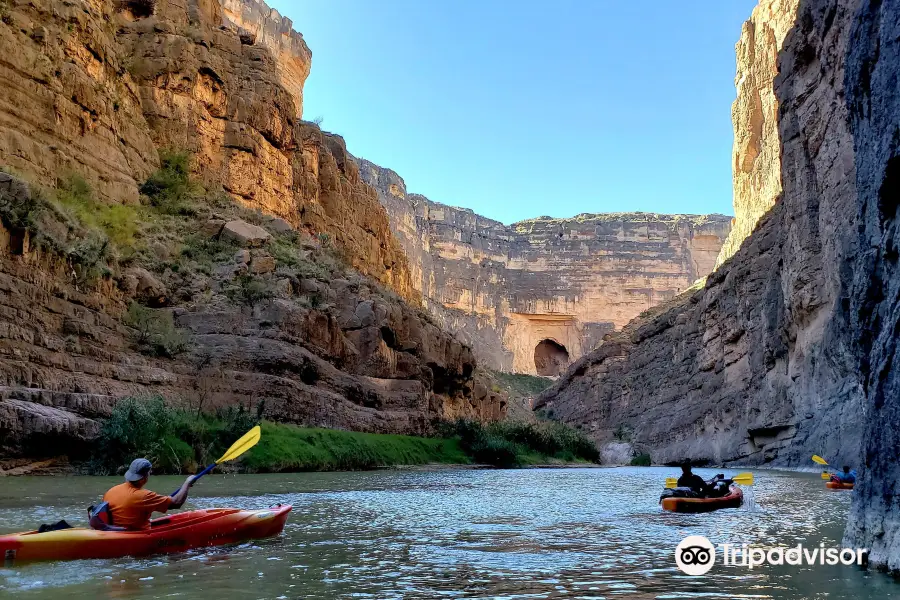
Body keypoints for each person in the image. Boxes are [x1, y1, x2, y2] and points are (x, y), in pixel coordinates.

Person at [101, 459, 195, 530]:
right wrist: (187, 484)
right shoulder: (144, 496)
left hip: (114, 531)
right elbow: (177, 502)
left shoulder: (110, 491)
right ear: (144, 478)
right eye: (149, 473)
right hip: (135, 535)